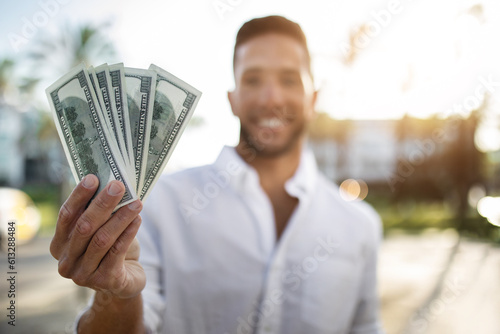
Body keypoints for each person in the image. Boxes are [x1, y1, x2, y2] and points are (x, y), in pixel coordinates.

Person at [50, 15, 385, 334]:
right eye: (253, 80)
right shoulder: (159, 204)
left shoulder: (361, 226)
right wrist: (117, 294)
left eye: (289, 79)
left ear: (313, 99)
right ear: (232, 99)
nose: (271, 98)